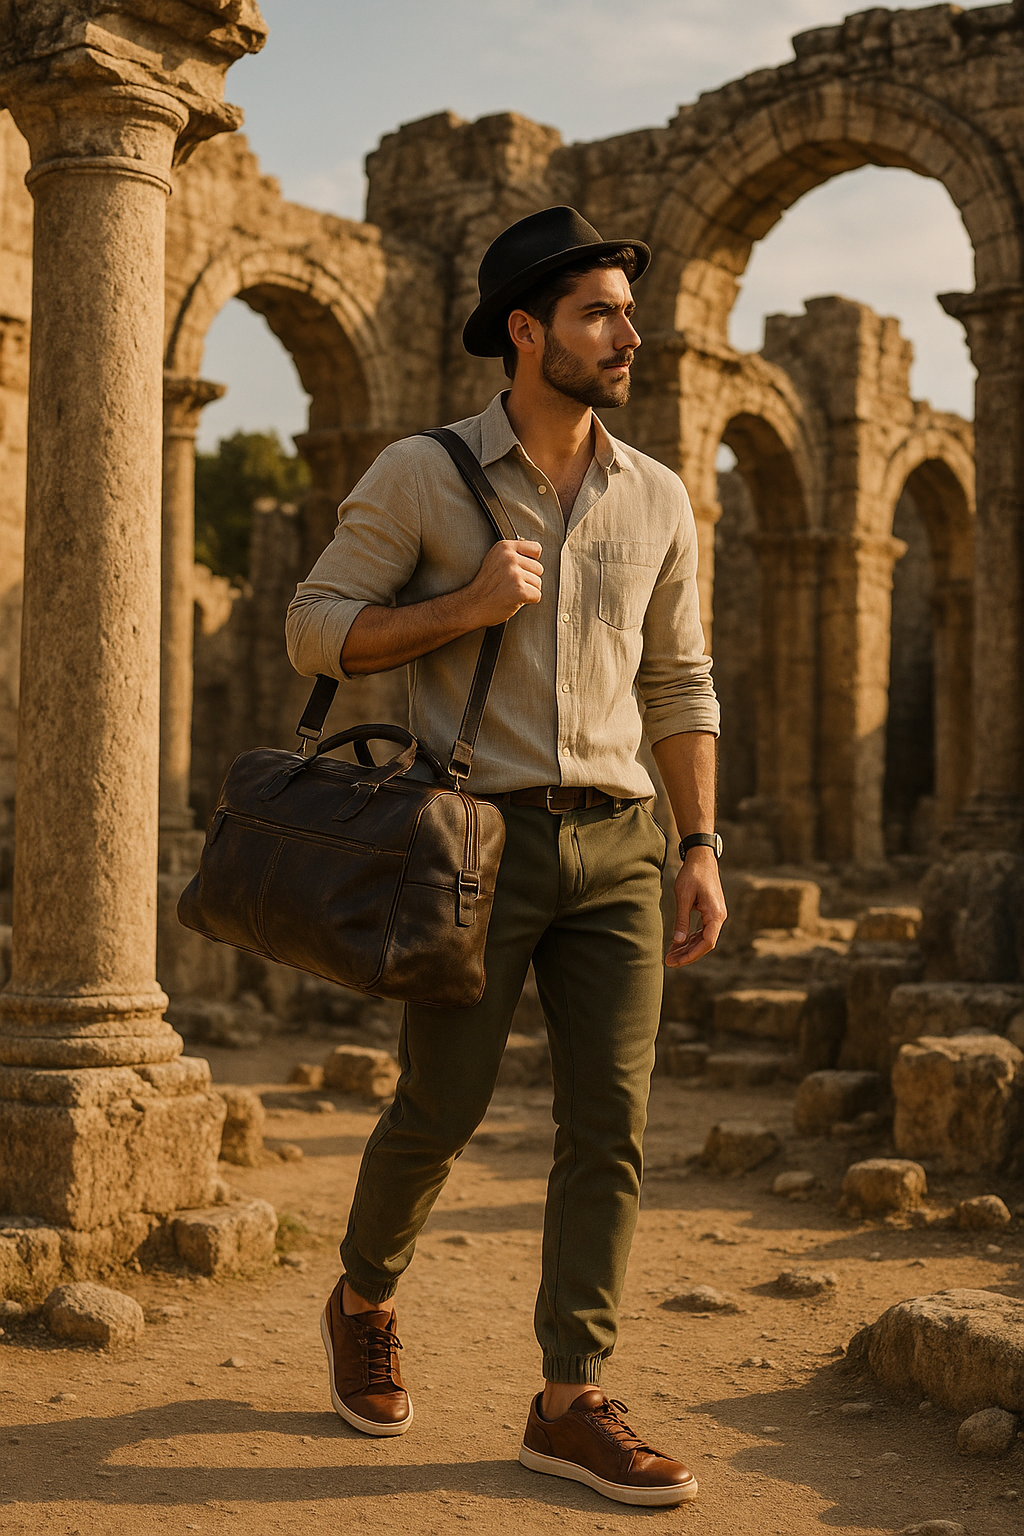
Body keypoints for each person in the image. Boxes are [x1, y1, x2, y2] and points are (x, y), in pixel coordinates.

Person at [285, 205, 726, 1509]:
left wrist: (699, 842)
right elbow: (313, 628)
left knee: (615, 1129)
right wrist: (460, 609)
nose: (627, 335)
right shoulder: (427, 473)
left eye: (628, 314)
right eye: (599, 313)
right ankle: (364, 1297)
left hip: (624, 844)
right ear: (527, 332)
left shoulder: (656, 493)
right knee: (443, 1108)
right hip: (473, 841)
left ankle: (569, 1399)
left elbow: (683, 683)